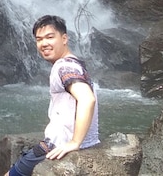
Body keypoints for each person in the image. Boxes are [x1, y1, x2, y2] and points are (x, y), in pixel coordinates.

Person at [8, 15, 99, 176]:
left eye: (50, 37)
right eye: (39, 39)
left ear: (64, 38)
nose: (44, 43)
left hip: (56, 146)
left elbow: (87, 99)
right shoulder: (76, 63)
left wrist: (74, 142)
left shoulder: (64, 67)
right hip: (89, 143)